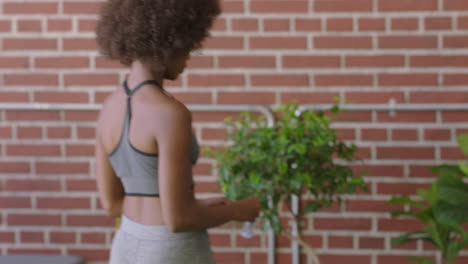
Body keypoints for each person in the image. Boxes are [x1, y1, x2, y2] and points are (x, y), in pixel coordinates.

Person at [93, 0, 261, 263]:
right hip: (170, 250)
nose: (188, 58)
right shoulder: (169, 114)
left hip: (126, 243)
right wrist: (239, 210)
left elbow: (111, 204)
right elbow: (179, 220)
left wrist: (197, 206)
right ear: (170, 41)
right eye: (188, 48)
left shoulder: (109, 108)